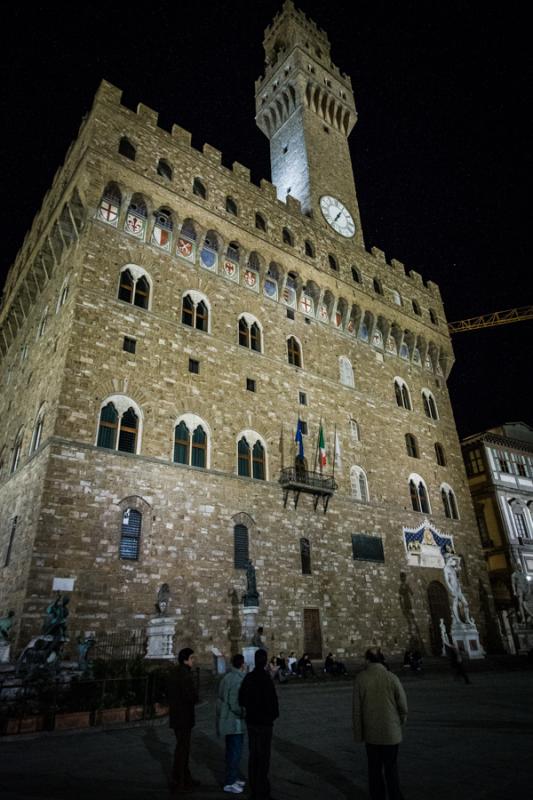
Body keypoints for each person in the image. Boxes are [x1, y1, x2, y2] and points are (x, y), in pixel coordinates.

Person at [353, 647, 408, 800]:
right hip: (391, 733)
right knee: (391, 769)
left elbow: (356, 710)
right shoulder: (392, 677)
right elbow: (403, 705)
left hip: (371, 734)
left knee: (374, 769)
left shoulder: (361, 678)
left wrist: (358, 734)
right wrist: (400, 721)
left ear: (367, 660)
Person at [239, 649, 279, 800]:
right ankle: (263, 790)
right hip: (265, 724)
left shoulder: (249, 678)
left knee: (254, 755)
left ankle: (255, 789)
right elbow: (273, 702)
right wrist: (272, 717)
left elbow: (241, 699)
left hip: (252, 722)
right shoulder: (266, 679)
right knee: (264, 757)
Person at [167, 647, 200, 794]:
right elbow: (190, 696)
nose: (194, 661)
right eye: (192, 658)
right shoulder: (185, 675)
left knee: (182, 748)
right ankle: (179, 780)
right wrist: (195, 697)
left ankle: (185, 777)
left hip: (176, 716)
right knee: (183, 750)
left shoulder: (174, 673)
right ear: (186, 659)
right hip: (184, 717)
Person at [216, 653, 247, 795]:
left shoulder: (226, 677)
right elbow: (234, 703)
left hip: (226, 719)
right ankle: (230, 782)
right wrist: (244, 713)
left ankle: (233, 777)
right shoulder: (237, 680)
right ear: (242, 664)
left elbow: (222, 697)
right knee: (235, 752)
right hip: (234, 721)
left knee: (231, 751)